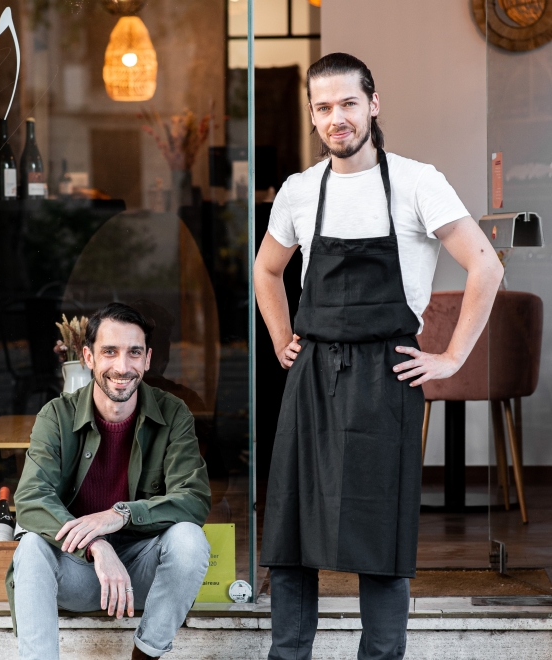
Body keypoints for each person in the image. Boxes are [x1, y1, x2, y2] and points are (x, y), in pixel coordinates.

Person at [254, 53, 503, 660]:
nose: (336, 118)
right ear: (312, 114)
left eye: (347, 103)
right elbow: (266, 269)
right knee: (290, 530)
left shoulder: (418, 182)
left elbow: (486, 266)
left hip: (385, 376)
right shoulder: (299, 190)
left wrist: (451, 357)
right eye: (323, 107)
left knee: (382, 532)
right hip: (312, 373)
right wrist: (282, 336)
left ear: (373, 104)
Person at [5, 302, 212, 660]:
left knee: (190, 539)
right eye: (110, 352)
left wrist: (120, 515)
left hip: (142, 576)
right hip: (76, 573)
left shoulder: (173, 412)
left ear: (148, 359)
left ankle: (144, 655)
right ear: (88, 357)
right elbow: (31, 499)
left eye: (134, 353)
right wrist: (95, 544)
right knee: (31, 547)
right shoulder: (56, 415)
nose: (122, 367)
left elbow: (193, 498)